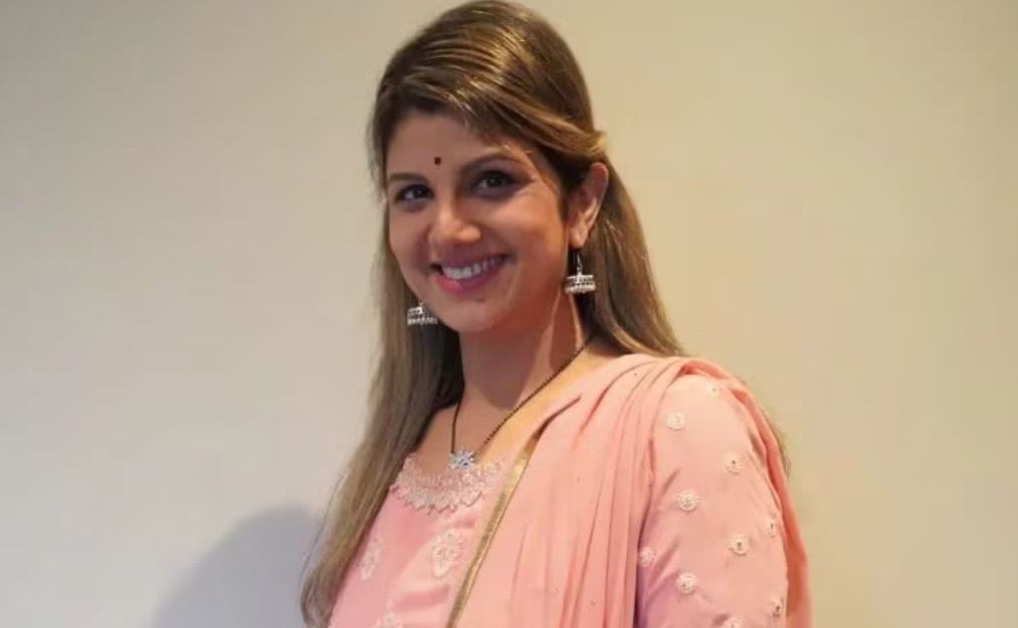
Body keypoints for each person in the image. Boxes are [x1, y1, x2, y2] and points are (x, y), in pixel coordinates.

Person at [300, 1, 810, 626]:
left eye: (491, 181)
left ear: (583, 203)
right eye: (414, 193)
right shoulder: (395, 461)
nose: (448, 228)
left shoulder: (676, 428)